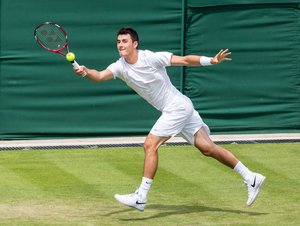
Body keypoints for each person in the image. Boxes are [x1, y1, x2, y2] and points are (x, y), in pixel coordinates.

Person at [74, 27, 266, 211]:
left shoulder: (151, 58)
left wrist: (212, 61)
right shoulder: (120, 66)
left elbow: (184, 60)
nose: (120, 45)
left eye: (125, 41)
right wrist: (85, 71)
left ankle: (141, 197)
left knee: (150, 145)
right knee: (208, 149)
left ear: (135, 44)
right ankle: (251, 177)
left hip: (177, 107)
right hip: (179, 107)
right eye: (118, 41)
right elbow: (99, 76)